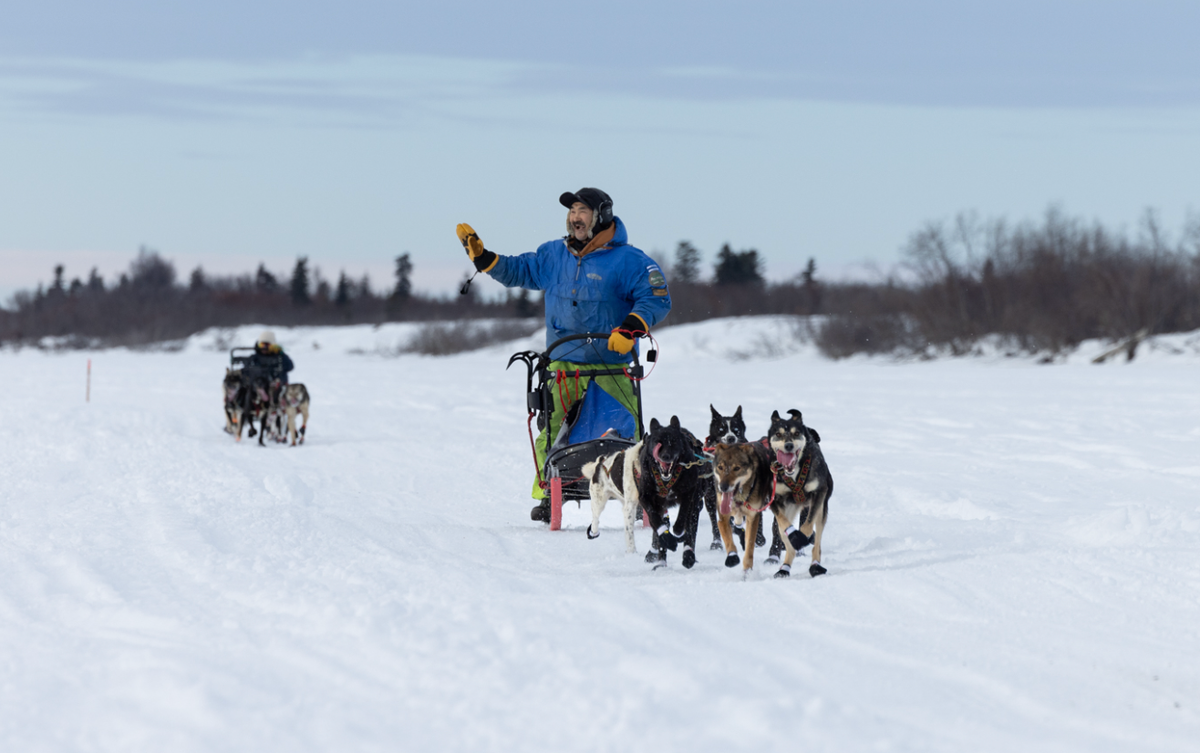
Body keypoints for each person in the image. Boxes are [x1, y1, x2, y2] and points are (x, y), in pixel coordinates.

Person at [456, 188, 672, 521]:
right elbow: (520, 270)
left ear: (602, 215)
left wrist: (631, 327)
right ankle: (550, 494)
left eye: (582, 210)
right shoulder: (553, 255)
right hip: (563, 364)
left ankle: (639, 491)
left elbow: (657, 298)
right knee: (554, 431)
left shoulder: (630, 261)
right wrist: (485, 260)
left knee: (625, 433)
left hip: (612, 367)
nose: (575, 217)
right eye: (572, 210)